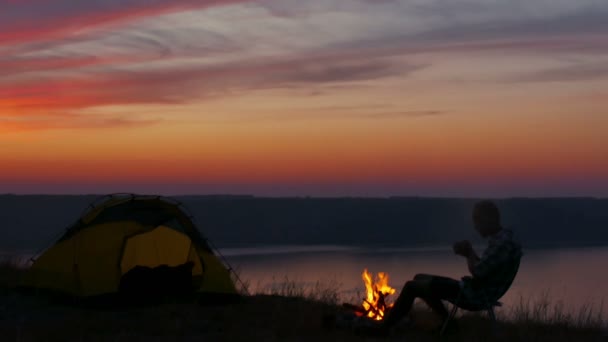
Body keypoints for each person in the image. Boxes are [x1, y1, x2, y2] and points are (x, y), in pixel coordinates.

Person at [381, 200, 523, 330]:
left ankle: (384, 329)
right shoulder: (504, 239)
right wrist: (469, 254)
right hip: (477, 290)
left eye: (477, 220)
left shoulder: (502, 244)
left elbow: (478, 271)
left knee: (411, 286)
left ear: (490, 219)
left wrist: (468, 253)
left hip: (475, 296)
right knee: (419, 277)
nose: (475, 226)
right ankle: (448, 323)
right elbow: (488, 269)